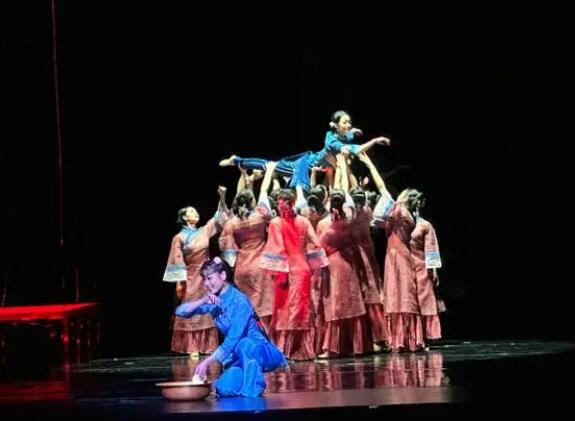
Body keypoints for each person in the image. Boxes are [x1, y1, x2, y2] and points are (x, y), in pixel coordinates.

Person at [175, 257, 287, 397]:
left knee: (244, 344)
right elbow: (180, 312)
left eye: (209, 278)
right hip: (238, 357)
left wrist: (207, 362)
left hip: (258, 351)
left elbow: (233, 339)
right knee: (224, 389)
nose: (206, 283)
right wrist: (203, 300)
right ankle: (241, 381)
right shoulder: (213, 301)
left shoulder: (240, 301)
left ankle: (253, 388)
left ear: (223, 275)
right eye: (204, 279)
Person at [163, 187, 228, 357]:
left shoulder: (204, 231)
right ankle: (192, 346)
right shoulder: (179, 237)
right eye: (191, 212)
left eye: (196, 211)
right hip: (190, 278)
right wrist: (179, 282)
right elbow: (177, 260)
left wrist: (222, 197)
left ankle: (207, 345)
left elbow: (219, 218)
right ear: (185, 218)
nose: (196, 213)